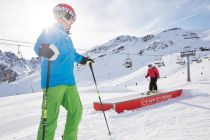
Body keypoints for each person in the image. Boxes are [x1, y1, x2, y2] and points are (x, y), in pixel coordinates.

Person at [34, 3, 94, 140]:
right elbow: (38, 46)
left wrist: (85, 60)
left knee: (76, 111)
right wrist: (44, 49)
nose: (72, 23)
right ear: (65, 15)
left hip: (69, 82)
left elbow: (72, 55)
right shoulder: (51, 30)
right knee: (49, 120)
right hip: (54, 82)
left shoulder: (68, 38)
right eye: (72, 19)